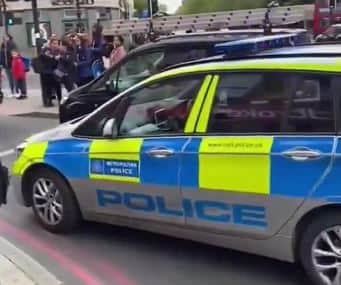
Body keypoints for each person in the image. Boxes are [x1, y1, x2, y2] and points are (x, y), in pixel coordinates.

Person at [40, 37, 62, 107]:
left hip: (56, 71)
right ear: (50, 44)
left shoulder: (59, 51)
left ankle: (60, 100)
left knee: (58, 86)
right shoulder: (46, 50)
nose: (55, 45)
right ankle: (48, 101)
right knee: (48, 87)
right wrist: (53, 57)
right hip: (47, 72)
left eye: (57, 43)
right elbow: (44, 57)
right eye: (54, 43)